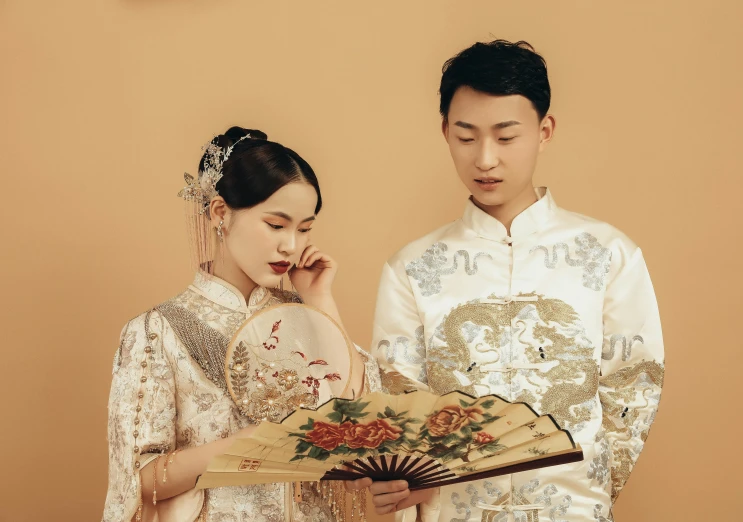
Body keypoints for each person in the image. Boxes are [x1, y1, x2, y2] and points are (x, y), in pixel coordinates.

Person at [366, 40, 665, 521]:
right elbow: (401, 400)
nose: (485, 159)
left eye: (506, 137)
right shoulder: (412, 267)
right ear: (445, 132)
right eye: (467, 137)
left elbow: (634, 384)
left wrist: (588, 494)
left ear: (544, 131)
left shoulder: (607, 254)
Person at [103, 126, 380, 522]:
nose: (291, 246)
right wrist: (248, 444)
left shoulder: (307, 318)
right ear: (220, 213)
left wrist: (320, 301)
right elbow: (139, 479)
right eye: (276, 224)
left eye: (304, 229)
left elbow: (362, 426)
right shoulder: (157, 331)